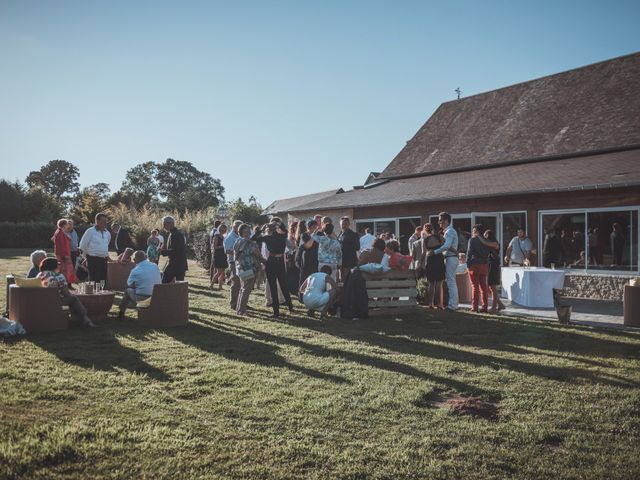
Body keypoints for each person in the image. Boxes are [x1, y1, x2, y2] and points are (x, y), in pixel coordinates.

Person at [37, 257, 95, 327]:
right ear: (53, 266)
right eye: (58, 264)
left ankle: (76, 318)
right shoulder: (58, 276)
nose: (60, 265)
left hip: (41, 300)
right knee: (73, 299)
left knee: (72, 299)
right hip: (55, 301)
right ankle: (86, 319)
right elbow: (66, 293)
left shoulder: (39, 276)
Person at [256, 222, 294, 317]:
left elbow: (254, 238)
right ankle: (290, 307)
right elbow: (285, 230)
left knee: (273, 287)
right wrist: (278, 225)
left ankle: (276, 312)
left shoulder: (267, 238)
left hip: (272, 261)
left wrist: (261, 228)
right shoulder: (283, 236)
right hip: (280, 261)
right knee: (283, 285)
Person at [233, 224, 267, 316]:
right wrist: (264, 261)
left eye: (249, 231)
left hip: (240, 268)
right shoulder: (249, 243)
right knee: (246, 289)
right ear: (243, 232)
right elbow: (256, 253)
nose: (249, 233)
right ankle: (242, 310)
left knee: (242, 289)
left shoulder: (238, 241)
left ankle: (239, 309)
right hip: (249, 269)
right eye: (247, 231)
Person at [117, 251, 162, 319]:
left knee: (128, 291)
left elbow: (129, 285)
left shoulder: (135, 270)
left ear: (134, 260)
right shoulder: (154, 265)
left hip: (143, 299)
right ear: (146, 257)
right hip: (156, 297)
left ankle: (121, 312)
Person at [433, 212, 459, 311]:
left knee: (451, 282)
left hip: (451, 258)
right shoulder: (448, 231)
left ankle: (452, 306)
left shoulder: (450, 231)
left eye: (440, 220)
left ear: (446, 221)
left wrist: (434, 252)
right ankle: (453, 304)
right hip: (451, 257)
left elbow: (447, 246)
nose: (439, 222)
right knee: (451, 281)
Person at [79, 213, 111, 283]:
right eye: (103, 221)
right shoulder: (90, 231)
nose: (105, 223)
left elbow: (106, 245)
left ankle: (102, 293)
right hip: (93, 259)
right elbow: (82, 245)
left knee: (103, 279)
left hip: (103, 259)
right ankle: (94, 293)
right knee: (94, 279)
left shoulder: (107, 233)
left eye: (106, 221)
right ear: (97, 221)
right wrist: (86, 258)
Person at [466, 224, 490, 313]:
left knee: (475, 287)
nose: (472, 232)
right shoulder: (487, 241)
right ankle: (485, 307)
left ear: (477, 231)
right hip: (484, 264)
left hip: (474, 265)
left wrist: (468, 264)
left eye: (473, 231)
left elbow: (469, 253)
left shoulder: (472, 240)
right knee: (483, 287)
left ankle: (474, 307)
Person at [423, 224, 445, 309]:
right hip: (439, 259)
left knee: (431, 284)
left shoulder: (425, 240)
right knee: (439, 283)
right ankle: (439, 304)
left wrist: (421, 264)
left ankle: (430, 304)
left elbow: (423, 253)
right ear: (433, 229)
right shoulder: (439, 237)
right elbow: (445, 246)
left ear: (425, 230)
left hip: (430, 260)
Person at [160, 215, 188, 283]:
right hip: (180, 264)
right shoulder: (177, 233)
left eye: (164, 224)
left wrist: (162, 252)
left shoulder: (174, 234)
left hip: (175, 265)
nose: (163, 226)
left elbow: (175, 251)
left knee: (164, 283)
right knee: (179, 286)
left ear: (170, 224)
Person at [484, 229, 505, 312]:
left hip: (494, 266)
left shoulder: (495, 244)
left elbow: (494, 253)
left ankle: (494, 307)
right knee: (490, 287)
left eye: (485, 235)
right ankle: (500, 304)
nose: (484, 237)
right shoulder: (490, 244)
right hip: (491, 265)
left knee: (493, 287)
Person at [223, 220, 242, 308]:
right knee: (235, 283)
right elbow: (227, 251)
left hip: (240, 262)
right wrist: (239, 252)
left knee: (241, 284)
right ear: (233, 227)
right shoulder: (230, 237)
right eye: (238, 226)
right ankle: (234, 304)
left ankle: (240, 302)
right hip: (233, 262)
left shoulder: (240, 236)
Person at [52, 218, 77, 284]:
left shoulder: (60, 231)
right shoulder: (60, 232)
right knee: (65, 271)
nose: (68, 226)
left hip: (63, 254)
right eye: (67, 224)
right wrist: (65, 255)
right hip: (63, 255)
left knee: (67, 271)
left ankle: (67, 285)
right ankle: (64, 285)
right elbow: (61, 245)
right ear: (64, 225)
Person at [298, 220, 319, 296]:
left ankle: (313, 294)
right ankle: (303, 295)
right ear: (309, 227)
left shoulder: (318, 234)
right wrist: (313, 235)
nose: (316, 228)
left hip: (315, 259)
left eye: (316, 226)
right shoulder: (304, 235)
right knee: (305, 276)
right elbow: (308, 245)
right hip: (307, 259)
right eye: (314, 227)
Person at [338, 217, 360, 281]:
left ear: (349, 224)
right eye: (342, 224)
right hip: (341, 262)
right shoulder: (340, 234)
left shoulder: (354, 234)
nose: (344, 226)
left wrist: (346, 246)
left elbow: (357, 247)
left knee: (348, 280)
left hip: (350, 262)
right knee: (341, 280)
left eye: (345, 224)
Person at [210, 224, 228, 290]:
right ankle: (211, 285)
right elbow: (215, 247)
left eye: (225, 229)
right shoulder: (216, 236)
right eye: (222, 229)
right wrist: (223, 247)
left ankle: (220, 286)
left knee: (222, 272)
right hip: (218, 255)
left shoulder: (223, 237)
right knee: (219, 272)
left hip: (223, 255)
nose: (223, 230)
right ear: (220, 229)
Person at [286, 222, 300, 296]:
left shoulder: (294, 235)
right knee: (292, 273)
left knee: (295, 273)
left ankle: (294, 288)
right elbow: (292, 247)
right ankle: (292, 289)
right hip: (292, 256)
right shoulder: (291, 236)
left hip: (294, 255)